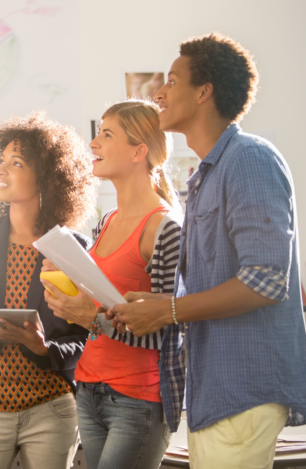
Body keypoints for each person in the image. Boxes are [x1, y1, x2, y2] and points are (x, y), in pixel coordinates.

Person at [110, 33, 306, 469]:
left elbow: (266, 280)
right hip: (214, 392)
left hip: (243, 389)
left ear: (204, 92)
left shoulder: (249, 160)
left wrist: (169, 310)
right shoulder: (205, 176)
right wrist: (157, 304)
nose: (159, 93)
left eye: (173, 81)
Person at [0, 113, 98, 469]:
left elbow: (87, 339)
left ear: (47, 177)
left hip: (51, 410)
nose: (0, 170)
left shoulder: (74, 249)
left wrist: (45, 347)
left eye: (16, 162)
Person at [43, 100, 182, 469]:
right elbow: (101, 303)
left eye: (106, 134)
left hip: (138, 397)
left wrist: (90, 317)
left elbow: (170, 328)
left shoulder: (165, 228)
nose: (93, 144)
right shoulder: (106, 221)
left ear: (140, 151)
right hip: (88, 389)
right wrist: (67, 287)